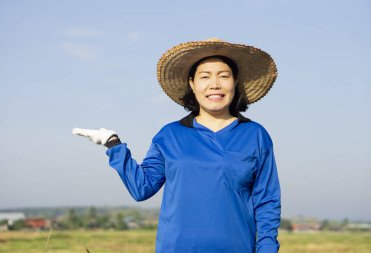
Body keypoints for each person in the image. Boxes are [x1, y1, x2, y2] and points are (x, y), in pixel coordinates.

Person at [72, 38, 281, 253]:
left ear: (235, 82)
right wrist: (113, 145)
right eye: (205, 77)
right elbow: (141, 188)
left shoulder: (255, 135)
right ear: (192, 83)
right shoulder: (169, 135)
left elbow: (267, 200)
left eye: (224, 76)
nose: (215, 85)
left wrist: (267, 248)